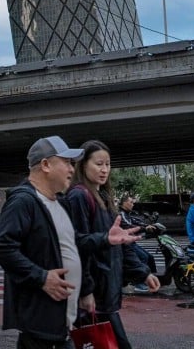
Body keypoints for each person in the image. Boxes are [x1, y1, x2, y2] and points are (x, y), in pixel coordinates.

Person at [0, 135, 143, 349]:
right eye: (66, 162)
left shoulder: (58, 203)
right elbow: (2, 247)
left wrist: (106, 239)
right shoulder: (23, 201)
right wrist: (42, 277)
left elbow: (75, 245)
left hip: (61, 320)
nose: (72, 169)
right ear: (45, 165)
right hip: (40, 320)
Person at [67, 140, 159, 349]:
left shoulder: (103, 197)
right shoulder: (79, 196)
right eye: (98, 164)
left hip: (107, 291)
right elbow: (78, 247)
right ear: (83, 165)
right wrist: (86, 290)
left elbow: (120, 243)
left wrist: (143, 273)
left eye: (107, 164)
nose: (104, 169)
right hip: (95, 294)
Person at [116, 195, 156, 289]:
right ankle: (138, 283)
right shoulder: (121, 214)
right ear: (124, 203)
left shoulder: (127, 214)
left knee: (150, 257)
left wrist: (147, 225)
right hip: (126, 244)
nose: (133, 205)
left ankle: (149, 278)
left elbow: (136, 221)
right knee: (143, 257)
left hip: (131, 242)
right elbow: (128, 226)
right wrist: (144, 228)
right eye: (131, 202)